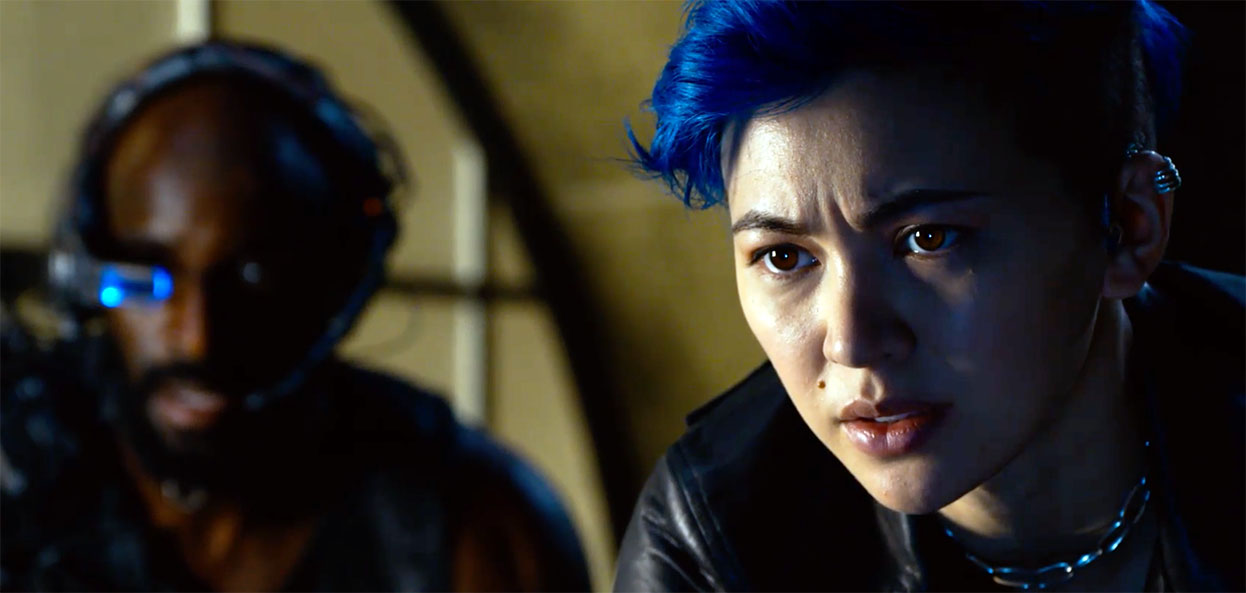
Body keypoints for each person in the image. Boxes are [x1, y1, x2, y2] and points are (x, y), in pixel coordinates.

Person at [615, 2, 1243, 591]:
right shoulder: (711, 544)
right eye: (784, 257)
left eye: (928, 239)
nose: (851, 343)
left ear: (1127, 228)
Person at [0, 41, 589, 592]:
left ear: (339, 280)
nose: (197, 337)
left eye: (253, 278)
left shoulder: (475, 530)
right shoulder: (17, 476)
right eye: (147, 277)